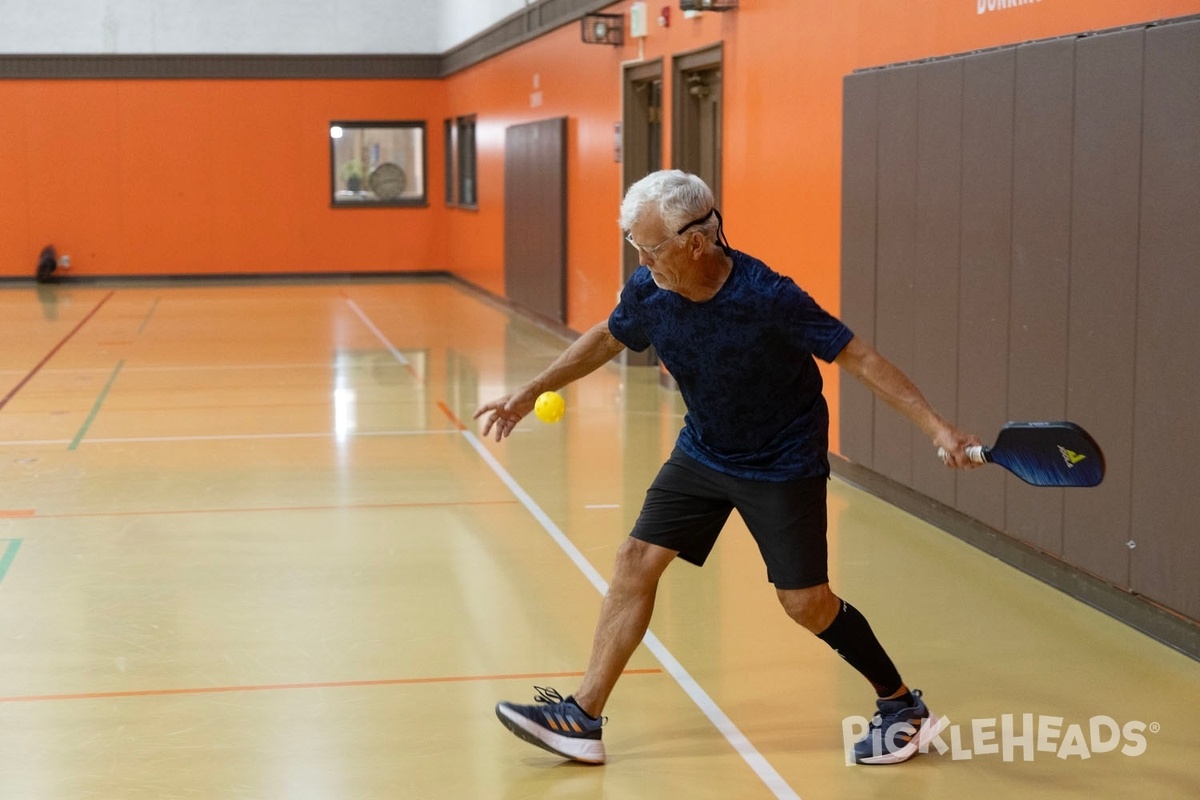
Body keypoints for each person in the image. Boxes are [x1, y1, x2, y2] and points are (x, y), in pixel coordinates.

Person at [474, 169, 980, 766]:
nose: (641, 259)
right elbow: (609, 339)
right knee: (635, 560)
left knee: (805, 603)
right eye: (636, 245)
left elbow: (859, 357)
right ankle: (582, 718)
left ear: (696, 241)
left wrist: (936, 426)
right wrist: (531, 391)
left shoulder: (767, 297)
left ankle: (901, 707)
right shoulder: (650, 291)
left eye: (650, 246)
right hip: (705, 449)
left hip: (782, 459)